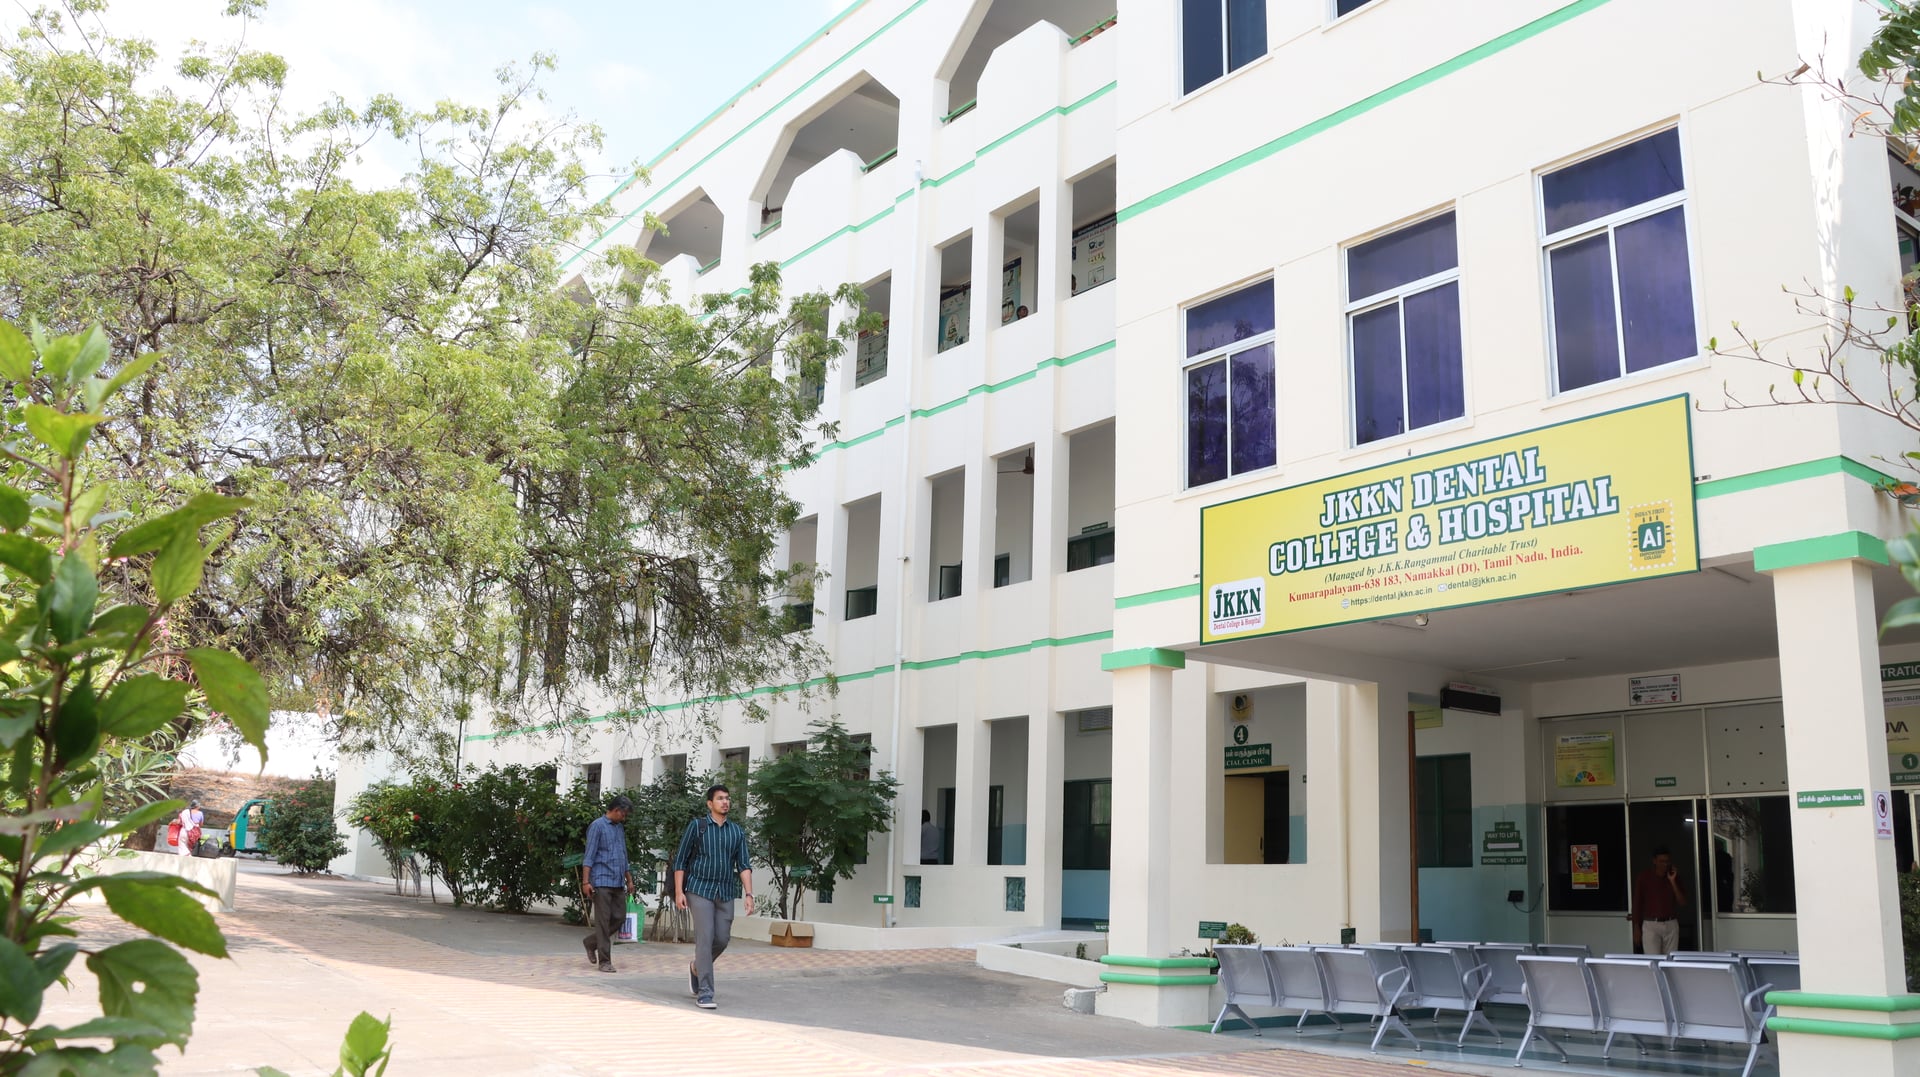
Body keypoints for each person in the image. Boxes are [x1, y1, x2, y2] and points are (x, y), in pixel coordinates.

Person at [674, 784, 752, 1010]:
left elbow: (744, 865)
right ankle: (705, 992)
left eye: (727, 798)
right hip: (699, 889)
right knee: (705, 938)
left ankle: (697, 967)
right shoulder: (697, 827)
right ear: (710, 804)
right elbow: (680, 861)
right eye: (720, 798)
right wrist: (679, 891)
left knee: (722, 939)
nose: (725, 802)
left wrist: (749, 893)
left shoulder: (736, 832)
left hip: (726, 891)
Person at [579, 795, 634, 973]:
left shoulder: (619, 829)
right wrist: (586, 881)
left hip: (617, 881)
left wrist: (629, 879)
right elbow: (589, 855)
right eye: (623, 814)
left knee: (619, 918)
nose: (624, 818)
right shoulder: (597, 826)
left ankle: (591, 942)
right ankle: (605, 961)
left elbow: (623, 855)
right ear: (616, 810)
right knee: (603, 922)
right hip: (601, 881)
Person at [1629, 846, 1687, 955]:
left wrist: (1673, 881)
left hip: (1671, 924)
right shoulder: (1644, 877)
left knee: (1670, 962)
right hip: (1651, 924)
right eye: (1661, 861)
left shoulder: (1674, 877)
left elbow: (1682, 902)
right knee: (1653, 961)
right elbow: (1637, 903)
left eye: (1667, 861)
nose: (1665, 864)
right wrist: (1636, 927)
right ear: (1654, 861)